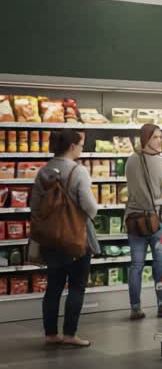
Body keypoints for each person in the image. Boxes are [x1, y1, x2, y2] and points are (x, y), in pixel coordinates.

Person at [29, 130, 97, 347]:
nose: (82, 148)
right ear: (71, 146)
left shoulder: (43, 171)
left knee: (54, 287)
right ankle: (69, 333)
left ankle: (50, 334)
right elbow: (90, 207)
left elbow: (35, 207)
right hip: (76, 238)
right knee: (77, 286)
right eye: (81, 145)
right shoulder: (79, 171)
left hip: (50, 239)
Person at [125, 123, 162, 320]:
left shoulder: (130, 160)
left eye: (161, 137)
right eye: (156, 137)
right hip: (157, 220)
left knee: (136, 265)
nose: (160, 140)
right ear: (146, 140)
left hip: (134, 219)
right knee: (161, 263)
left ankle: (135, 307)